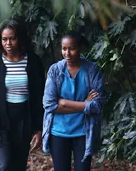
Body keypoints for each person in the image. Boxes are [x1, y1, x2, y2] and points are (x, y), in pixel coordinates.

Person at [0, 19, 45, 171]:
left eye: (12, 38)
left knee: (18, 167)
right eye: (4, 39)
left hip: (23, 122)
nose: (8, 43)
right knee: (3, 165)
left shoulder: (33, 61)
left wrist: (39, 129)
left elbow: (40, 97)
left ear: (19, 38)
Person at [42, 31, 106, 171]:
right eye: (64, 49)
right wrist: (84, 104)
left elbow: (97, 104)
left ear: (80, 48)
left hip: (83, 132)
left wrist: (64, 102)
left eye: (72, 48)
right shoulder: (55, 70)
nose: (67, 53)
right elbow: (49, 104)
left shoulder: (92, 70)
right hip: (58, 132)